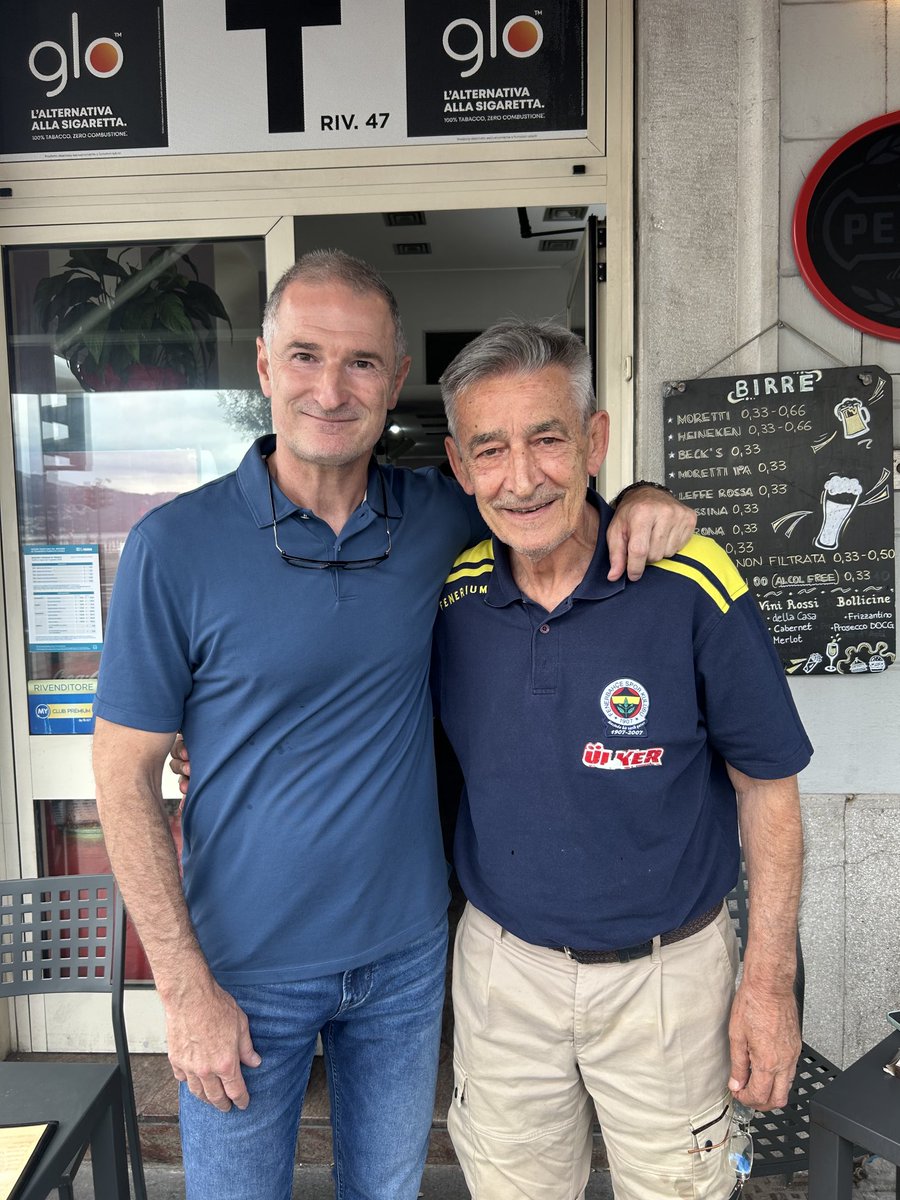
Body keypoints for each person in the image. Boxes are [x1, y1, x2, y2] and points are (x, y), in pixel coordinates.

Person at [91, 250, 696, 1200]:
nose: (331, 388)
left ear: (396, 379)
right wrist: (182, 989)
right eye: (304, 356)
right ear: (263, 367)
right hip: (241, 971)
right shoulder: (175, 547)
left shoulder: (439, 517)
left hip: (405, 964)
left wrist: (640, 500)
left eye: (361, 362)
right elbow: (122, 778)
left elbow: (538, 490)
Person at [430, 319, 812, 1199]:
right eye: (490, 450)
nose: (521, 479)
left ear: (596, 440)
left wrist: (769, 985)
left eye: (548, 440)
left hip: (669, 982)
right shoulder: (451, 600)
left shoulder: (691, 580)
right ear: (458, 466)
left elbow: (769, 790)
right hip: (503, 973)